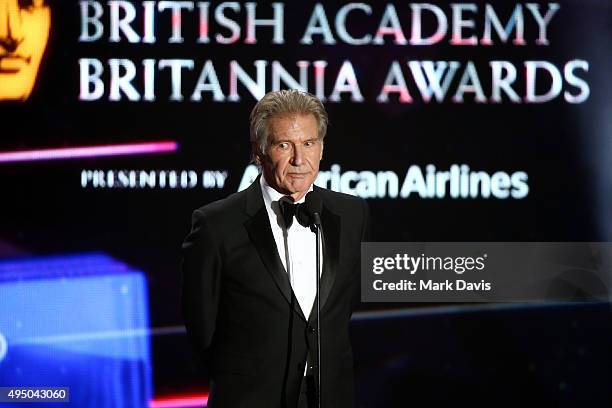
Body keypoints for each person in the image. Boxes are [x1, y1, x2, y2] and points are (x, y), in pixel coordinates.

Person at [181, 89, 370, 408]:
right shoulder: (216, 225)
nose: (299, 159)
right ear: (259, 151)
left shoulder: (352, 215)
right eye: (285, 145)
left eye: (309, 143)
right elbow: (201, 329)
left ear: (322, 148)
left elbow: (342, 308)